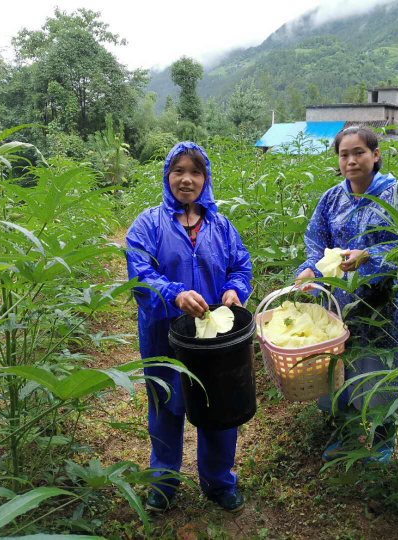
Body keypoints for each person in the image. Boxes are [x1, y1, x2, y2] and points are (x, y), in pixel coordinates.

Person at [125, 141, 252, 513]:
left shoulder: (220, 224)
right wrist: (176, 295)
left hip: (214, 343)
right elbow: (141, 276)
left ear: (205, 178)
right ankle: (162, 484)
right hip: (164, 337)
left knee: (218, 407)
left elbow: (240, 265)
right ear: (167, 177)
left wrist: (234, 289)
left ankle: (218, 483)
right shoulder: (147, 224)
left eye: (195, 172)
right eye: (179, 171)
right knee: (166, 407)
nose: (187, 179)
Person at [295, 126, 398, 464]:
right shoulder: (332, 198)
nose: (351, 160)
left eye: (359, 152)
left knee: (382, 369)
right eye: (344, 154)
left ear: (375, 155)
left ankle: (382, 438)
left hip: (384, 304)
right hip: (340, 304)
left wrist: (368, 258)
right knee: (340, 369)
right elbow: (315, 240)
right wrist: (310, 268)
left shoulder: (397, 196)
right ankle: (346, 432)